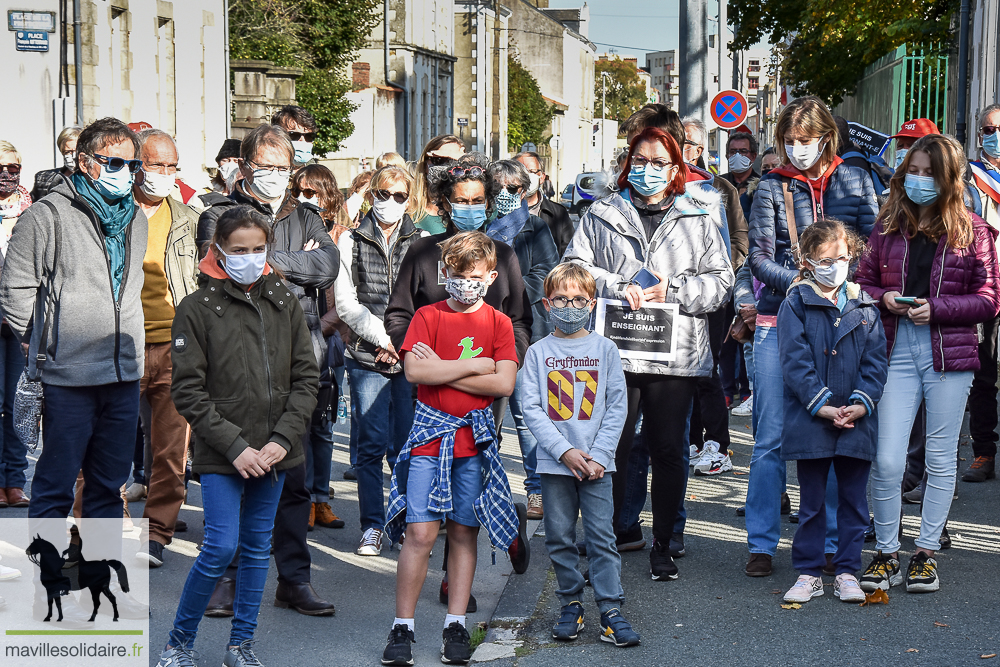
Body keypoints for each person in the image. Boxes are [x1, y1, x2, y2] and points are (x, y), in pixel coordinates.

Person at [565, 126, 734, 581]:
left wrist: (673, 289)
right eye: (639, 160)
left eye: (659, 162)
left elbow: (721, 281)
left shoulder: (697, 214)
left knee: (667, 448)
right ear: (626, 163)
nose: (648, 170)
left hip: (673, 352)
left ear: (677, 168)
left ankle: (664, 542)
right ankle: (614, 534)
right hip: (616, 346)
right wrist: (617, 285)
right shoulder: (601, 212)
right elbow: (572, 267)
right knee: (611, 447)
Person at [155, 205, 319, 667]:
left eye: (259, 249)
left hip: (274, 453)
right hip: (223, 452)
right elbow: (187, 390)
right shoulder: (196, 308)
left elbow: (306, 379)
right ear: (218, 252)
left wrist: (282, 441)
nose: (250, 257)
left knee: (255, 548)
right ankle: (178, 643)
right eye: (239, 250)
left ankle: (240, 644)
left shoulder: (284, 301)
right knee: (221, 545)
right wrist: (235, 447)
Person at [198, 123, 339, 617]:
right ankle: (227, 579)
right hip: (235, 357)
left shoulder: (305, 215)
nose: (277, 176)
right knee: (238, 472)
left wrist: (268, 258)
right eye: (267, 167)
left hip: (295, 352)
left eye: (284, 168)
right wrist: (288, 262)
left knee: (293, 477)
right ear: (245, 166)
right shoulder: (217, 214)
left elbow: (328, 266)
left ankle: (293, 580)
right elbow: (214, 269)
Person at [384, 153, 533, 611]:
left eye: (479, 200)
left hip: (488, 380)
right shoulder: (424, 252)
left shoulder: (502, 255)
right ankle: (496, 526)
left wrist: (499, 363)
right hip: (430, 387)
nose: (470, 207)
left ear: (490, 203)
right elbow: (399, 312)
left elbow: (520, 321)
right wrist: (412, 348)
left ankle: (455, 579)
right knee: (432, 475)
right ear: (446, 203)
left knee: (475, 463)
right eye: (461, 200)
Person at [855, 133, 1000, 594]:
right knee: (887, 457)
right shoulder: (886, 225)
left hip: (948, 351)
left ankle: (926, 551)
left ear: (949, 178)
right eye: (912, 171)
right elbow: (861, 284)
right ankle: (884, 549)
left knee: (939, 457)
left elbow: (990, 298)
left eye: (928, 172)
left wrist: (937, 307)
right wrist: (886, 298)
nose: (918, 180)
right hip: (894, 345)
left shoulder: (974, 230)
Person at [744, 95, 878, 577]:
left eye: (805, 141)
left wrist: (839, 279)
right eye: (789, 142)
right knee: (771, 437)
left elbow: (872, 244)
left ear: (826, 137)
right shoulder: (770, 187)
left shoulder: (857, 178)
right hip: (779, 318)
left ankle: (829, 543)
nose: (797, 149)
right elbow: (759, 257)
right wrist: (801, 284)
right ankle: (761, 541)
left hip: (841, 321)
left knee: (832, 433)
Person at [381, 231, 519, 666]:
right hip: (429, 439)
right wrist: (475, 365)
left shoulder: (499, 322)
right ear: (446, 273)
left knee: (463, 530)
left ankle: (455, 623)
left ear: (491, 276)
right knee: (420, 533)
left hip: (473, 442)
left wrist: (441, 370)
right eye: (458, 275)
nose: (466, 283)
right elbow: (413, 373)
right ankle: (402, 627)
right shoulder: (427, 315)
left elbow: (504, 383)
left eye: (476, 276)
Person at [0, 117, 147, 522]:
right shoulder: (45, 216)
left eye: (132, 165)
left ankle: (98, 573)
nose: (125, 174)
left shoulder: (135, 217)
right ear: (84, 161)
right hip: (68, 377)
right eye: (113, 163)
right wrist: (40, 340)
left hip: (124, 376)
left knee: (107, 485)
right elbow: (15, 289)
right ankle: (44, 581)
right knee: (55, 485)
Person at [521, 263, 640, 647]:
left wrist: (601, 455)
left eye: (577, 299)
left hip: (598, 466)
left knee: (603, 536)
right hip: (556, 466)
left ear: (591, 303)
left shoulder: (606, 349)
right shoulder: (538, 353)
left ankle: (610, 609)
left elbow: (617, 407)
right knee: (558, 536)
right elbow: (532, 408)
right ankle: (571, 602)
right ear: (546, 303)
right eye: (561, 299)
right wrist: (565, 452)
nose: (569, 306)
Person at [776, 219, 887, 605]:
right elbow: (794, 362)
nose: (834, 265)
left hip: (857, 420)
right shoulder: (794, 302)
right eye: (824, 259)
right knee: (812, 503)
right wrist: (823, 406)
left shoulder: (866, 305)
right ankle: (808, 570)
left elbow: (876, 362)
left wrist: (860, 402)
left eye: (841, 257)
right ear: (806, 261)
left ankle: (847, 570)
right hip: (812, 420)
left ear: (851, 255)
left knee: (855, 502)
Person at [334, 165, 424, 556]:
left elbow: (427, 301)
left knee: (406, 445)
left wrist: (403, 343)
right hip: (367, 355)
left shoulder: (422, 241)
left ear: (410, 199)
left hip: (411, 356)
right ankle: (371, 525)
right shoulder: (350, 240)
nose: (390, 203)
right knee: (369, 445)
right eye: (383, 194)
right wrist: (385, 339)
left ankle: (401, 522)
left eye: (399, 196)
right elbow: (345, 303)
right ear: (371, 195)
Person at [124, 129, 200, 569]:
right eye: (156, 165)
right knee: (106, 450)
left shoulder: (189, 218)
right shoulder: (109, 214)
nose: (165, 175)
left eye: (172, 167)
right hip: (120, 345)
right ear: (136, 164)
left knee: (170, 453)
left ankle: (156, 534)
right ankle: (104, 530)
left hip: (175, 347)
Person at [486, 159, 559, 519]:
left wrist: (501, 292)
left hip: (525, 335)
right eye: (498, 188)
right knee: (485, 420)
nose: (505, 196)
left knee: (529, 419)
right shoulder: (477, 227)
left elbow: (546, 274)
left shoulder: (536, 228)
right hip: (480, 340)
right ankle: (484, 487)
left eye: (513, 189)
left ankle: (536, 491)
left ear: (525, 191)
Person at [963, 104, 1000, 483]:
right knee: (983, 370)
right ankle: (984, 452)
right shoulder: (969, 178)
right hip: (985, 281)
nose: (995, 135)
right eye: (989, 129)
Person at [0, 141, 29, 509]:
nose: (7, 173)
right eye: (1, 167)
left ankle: (14, 480)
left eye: (14, 167)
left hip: (21, 322)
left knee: (18, 404)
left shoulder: (31, 210)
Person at [514, 151, 575, 257]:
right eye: (521, 171)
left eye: (531, 171)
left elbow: (568, 253)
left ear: (542, 177)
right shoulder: (500, 211)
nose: (526, 176)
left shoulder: (558, 213)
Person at [409, 135, 466, 234]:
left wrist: (468, 161)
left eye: (453, 161)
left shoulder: (469, 212)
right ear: (425, 165)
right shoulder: (409, 208)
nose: (446, 167)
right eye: (439, 160)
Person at [30, 125, 81, 201]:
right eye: (68, 152)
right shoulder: (43, 178)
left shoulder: (94, 178)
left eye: (77, 151)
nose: (73, 156)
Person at [721, 131, 760, 220]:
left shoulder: (761, 184)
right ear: (727, 156)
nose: (737, 155)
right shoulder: (719, 183)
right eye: (733, 151)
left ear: (753, 156)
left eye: (743, 151)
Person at [272, 105, 317, 169]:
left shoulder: (318, 175)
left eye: (309, 136)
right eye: (293, 135)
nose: (302, 141)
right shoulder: (263, 172)